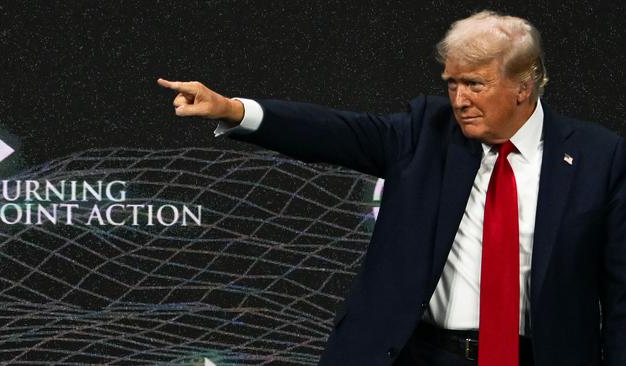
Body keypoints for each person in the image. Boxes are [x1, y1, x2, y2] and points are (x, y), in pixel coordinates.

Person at [158, 10, 625, 366]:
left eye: (475, 85)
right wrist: (235, 111)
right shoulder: (425, 131)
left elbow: (620, 296)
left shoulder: (599, 158)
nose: (459, 100)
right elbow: (335, 131)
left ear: (524, 86)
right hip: (416, 354)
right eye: (452, 84)